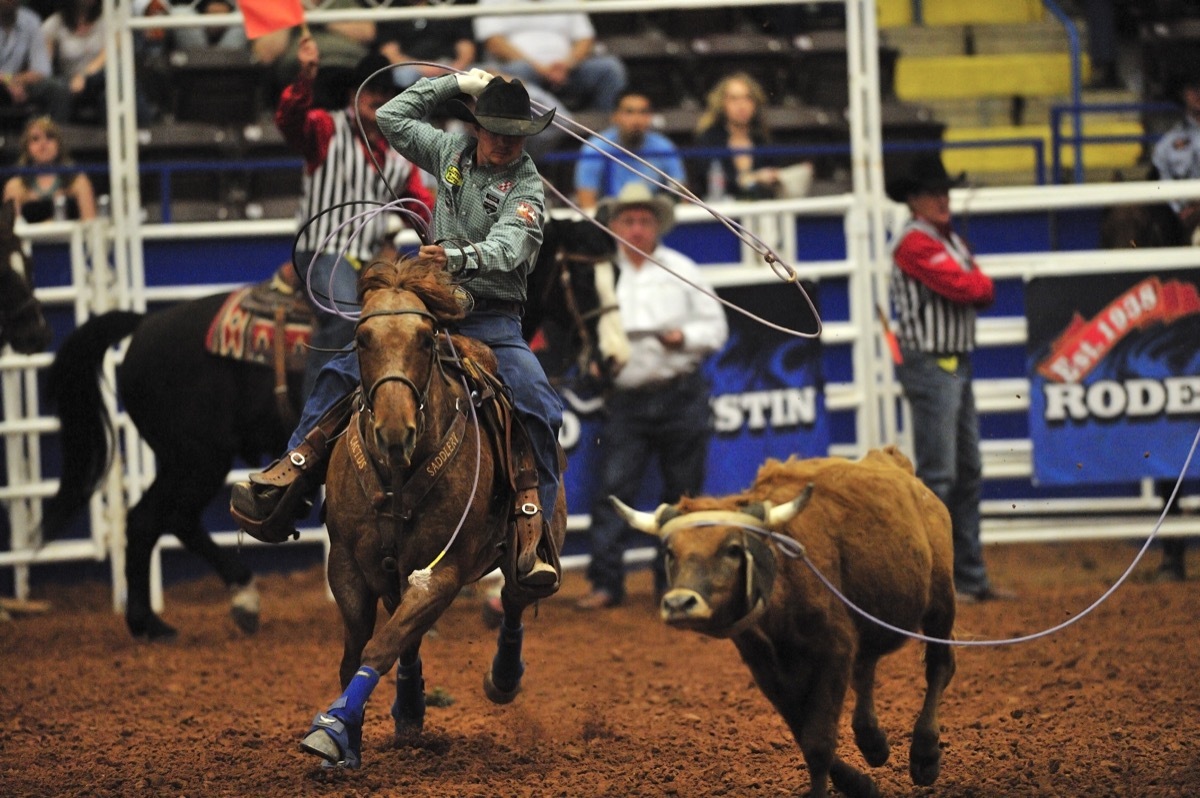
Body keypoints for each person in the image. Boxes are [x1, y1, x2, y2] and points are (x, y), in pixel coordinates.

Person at [231, 68, 561, 591]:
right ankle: (294, 468)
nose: (506, 143)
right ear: (477, 126)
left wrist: (455, 255)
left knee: (540, 404)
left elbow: (512, 244)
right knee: (346, 366)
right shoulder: (451, 152)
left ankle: (533, 530)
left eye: (516, 134)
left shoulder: (525, 185)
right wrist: (454, 83)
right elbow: (390, 117)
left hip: (493, 318)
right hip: (432, 305)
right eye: (497, 130)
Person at [576, 183, 728, 610]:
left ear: (657, 225)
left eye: (644, 220)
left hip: (680, 393)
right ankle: (606, 582)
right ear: (615, 226)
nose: (637, 228)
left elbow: (716, 328)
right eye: (629, 220)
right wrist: (593, 361)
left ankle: (675, 581)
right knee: (614, 491)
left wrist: (684, 338)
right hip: (627, 398)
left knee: (683, 494)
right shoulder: (602, 273)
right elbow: (582, 332)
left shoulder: (682, 269)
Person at [274, 36, 433, 401]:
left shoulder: (400, 154)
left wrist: (446, 244)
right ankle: (318, 414)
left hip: (371, 260)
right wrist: (304, 80)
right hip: (322, 252)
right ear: (352, 94)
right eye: (370, 89)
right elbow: (289, 121)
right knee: (346, 316)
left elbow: (421, 209)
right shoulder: (325, 128)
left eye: (385, 92)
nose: (378, 97)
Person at [886, 153, 1014, 605]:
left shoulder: (942, 240)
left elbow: (977, 288)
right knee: (943, 475)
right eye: (933, 193)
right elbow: (972, 287)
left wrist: (974, 282)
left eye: (944, 192)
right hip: (933, 362)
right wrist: (974, 281)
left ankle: (968, 577)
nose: (943, 200)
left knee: (963, 471)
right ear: (914, 200)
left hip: (950, 361)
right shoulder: (917, 243)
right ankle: (941, 582)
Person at [473, 0, 626, 112]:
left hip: (567, 71)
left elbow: (585, 38)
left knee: (609, 68)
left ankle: (607, 132)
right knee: (515, 73)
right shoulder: (493, 1)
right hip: (523, 71)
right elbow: (493, 42)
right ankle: (524, 124)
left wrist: (567, 65)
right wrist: (540, 68)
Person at [573, 90, 686, 210]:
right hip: (609, 216)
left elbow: (680, 195)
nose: (637, 120)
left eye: (643, 112)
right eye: (629, 112)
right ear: (615, 116)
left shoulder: (664, 147)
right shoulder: (596, 148)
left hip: (651, 215)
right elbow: (586, 201)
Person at [694, 72, 785, 201]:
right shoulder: (709, 140)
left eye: (747, 98)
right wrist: (754, 179)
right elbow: (708, 183)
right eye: (734, 99)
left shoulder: (763, 139)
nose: (742, 105)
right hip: (719, 209)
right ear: (721, 103)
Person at [2, 114, 96, 222]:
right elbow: (12, 229)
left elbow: (91, 224)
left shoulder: (79, 181)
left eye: (50, 137)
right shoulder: (15, 187)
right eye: (35, 139)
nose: (43, 144)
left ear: (59, 144)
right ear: (26, 147)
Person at [375, 0, 475, 90]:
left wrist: (451, 70)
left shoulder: (449, 6)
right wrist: (423, 68)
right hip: (409, 68)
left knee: (475, 75)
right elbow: (389, 53)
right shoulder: (393, 8)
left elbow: (466, 50)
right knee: (401, 76)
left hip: (447, 65)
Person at [1150, 68, 1200, 245]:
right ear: (1183, 94)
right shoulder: (1166, 145)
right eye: (1193, 88)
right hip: (1182, 219)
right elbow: (1162, 181)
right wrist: (1181, 210)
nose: (1198, 93)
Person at [0, 0, 71, 123]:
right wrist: (6, 82)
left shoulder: (30, 21)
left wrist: (14, 81)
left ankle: (52, 132)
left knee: (58, 88)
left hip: (20, 82)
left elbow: (42, 70)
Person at [40, 0, 106, 123]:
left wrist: (84, 76)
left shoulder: (108, 20)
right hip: (68, 83)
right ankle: (57, 131)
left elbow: (107, 55)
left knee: (109, 88)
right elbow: (42, 64)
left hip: (99, 80)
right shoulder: (55, 23)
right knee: (58, 89)